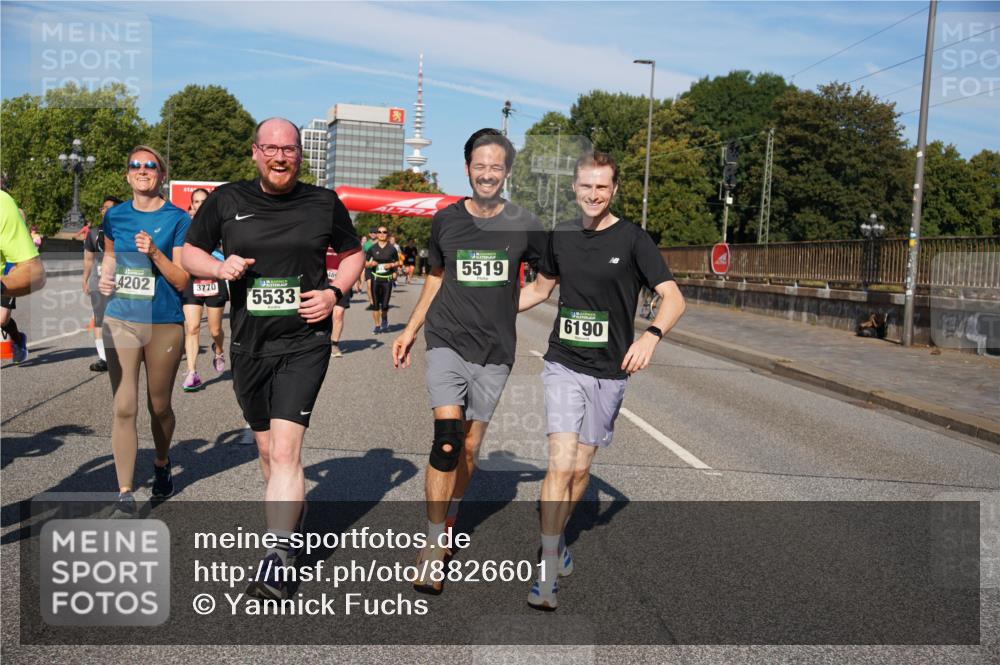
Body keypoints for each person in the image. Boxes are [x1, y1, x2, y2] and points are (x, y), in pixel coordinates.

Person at [183, 117, 363, 600]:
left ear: (301, 154)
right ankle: (289, 521)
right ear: (256, 152)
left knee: (285, 452)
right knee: (267, 453)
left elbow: (352, 254)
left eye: (290, 149)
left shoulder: (323, 202)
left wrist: (334, 292)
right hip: (248, 346)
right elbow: (188, 252)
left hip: (304, 341)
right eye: (271, 149)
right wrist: (219, 266)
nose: (281, 157)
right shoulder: (227, 200)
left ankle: (279, 556)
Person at [518, 151, 685, 610]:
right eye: (586, 186)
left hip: (609, 372)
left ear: (613, 190)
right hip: (563, 362)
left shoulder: (634, 239)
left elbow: (673, 298)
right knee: (560, 462)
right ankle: (547, 568)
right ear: (574, 188)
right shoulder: (561, 237)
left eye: (602, 187)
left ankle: (559, 540)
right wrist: (485, 311)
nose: (593, 195)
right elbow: (539, 289)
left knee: (579, 470)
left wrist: (651, 336)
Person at [392, 128, 546, 594]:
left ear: (507, 172)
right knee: (446, 441)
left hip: (496, 352)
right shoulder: (447, 220)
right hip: (446, 340)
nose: (487, 173)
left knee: (470, 449)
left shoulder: (525, 223)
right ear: (466, 168)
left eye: (496, 166)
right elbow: (436, 278)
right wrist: (411, 328)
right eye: (479, 165)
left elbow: (545, 283)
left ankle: (453, 513)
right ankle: (434, 544)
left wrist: (507, 305)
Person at [97, 146, 191, 516]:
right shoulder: (115, 216)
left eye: (150, 165)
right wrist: (105, 278)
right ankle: (124, 491)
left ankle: (162, 463)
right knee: (124, 405)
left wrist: (154, 253)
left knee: (159, 406)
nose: (142, 170)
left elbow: (182, 278)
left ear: (162, 175)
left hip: (165, 321)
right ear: (127, 175)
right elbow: (108, 255)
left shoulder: (177, 218)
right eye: (135, 165)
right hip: (121, 317)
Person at [180, 188, 227, 391]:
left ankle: (218, 349)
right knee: (192, 327)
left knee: (215, 329)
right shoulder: (184, 226)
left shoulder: (220, 225)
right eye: (196, 201)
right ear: (192, 206)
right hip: (192, 281)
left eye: (203, 201)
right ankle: (192, 373)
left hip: (214, 281)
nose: (199, 204)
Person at [1, 195, 46, 364]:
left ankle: (18, 339)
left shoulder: (4, 206)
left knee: (1, 319)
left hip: (10, 274)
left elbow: (35, 271)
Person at [82, 196, 122, 371]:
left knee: (122, 319)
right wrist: (85, 280)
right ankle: (103, 358)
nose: (106, 210)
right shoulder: (92, 233)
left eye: (111, 207)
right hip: (98, 282)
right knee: (99, 319)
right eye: (104, 207)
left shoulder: (126, 231)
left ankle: (125, 354)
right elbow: (88, 259)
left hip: (122, 282)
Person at [365, 226, 399, 334]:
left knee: (384, 305)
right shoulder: (372, 248)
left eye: (384, 232)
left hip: (387, 280)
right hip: (375, 279)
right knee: (375, 305)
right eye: (379, 232)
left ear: (387, 234)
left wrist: (391, 265)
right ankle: (377, 326)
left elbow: (398, 262)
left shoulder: (392, 249)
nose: (381, 234)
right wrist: (370, 264)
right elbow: (365, 263)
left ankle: (384, 320)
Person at [326, 246, 353, 357]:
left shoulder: (346, 243)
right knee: (323, 314)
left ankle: (334, 344)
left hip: (342, 283)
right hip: (322, 283)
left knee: (338, 314)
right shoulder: (320, 239)